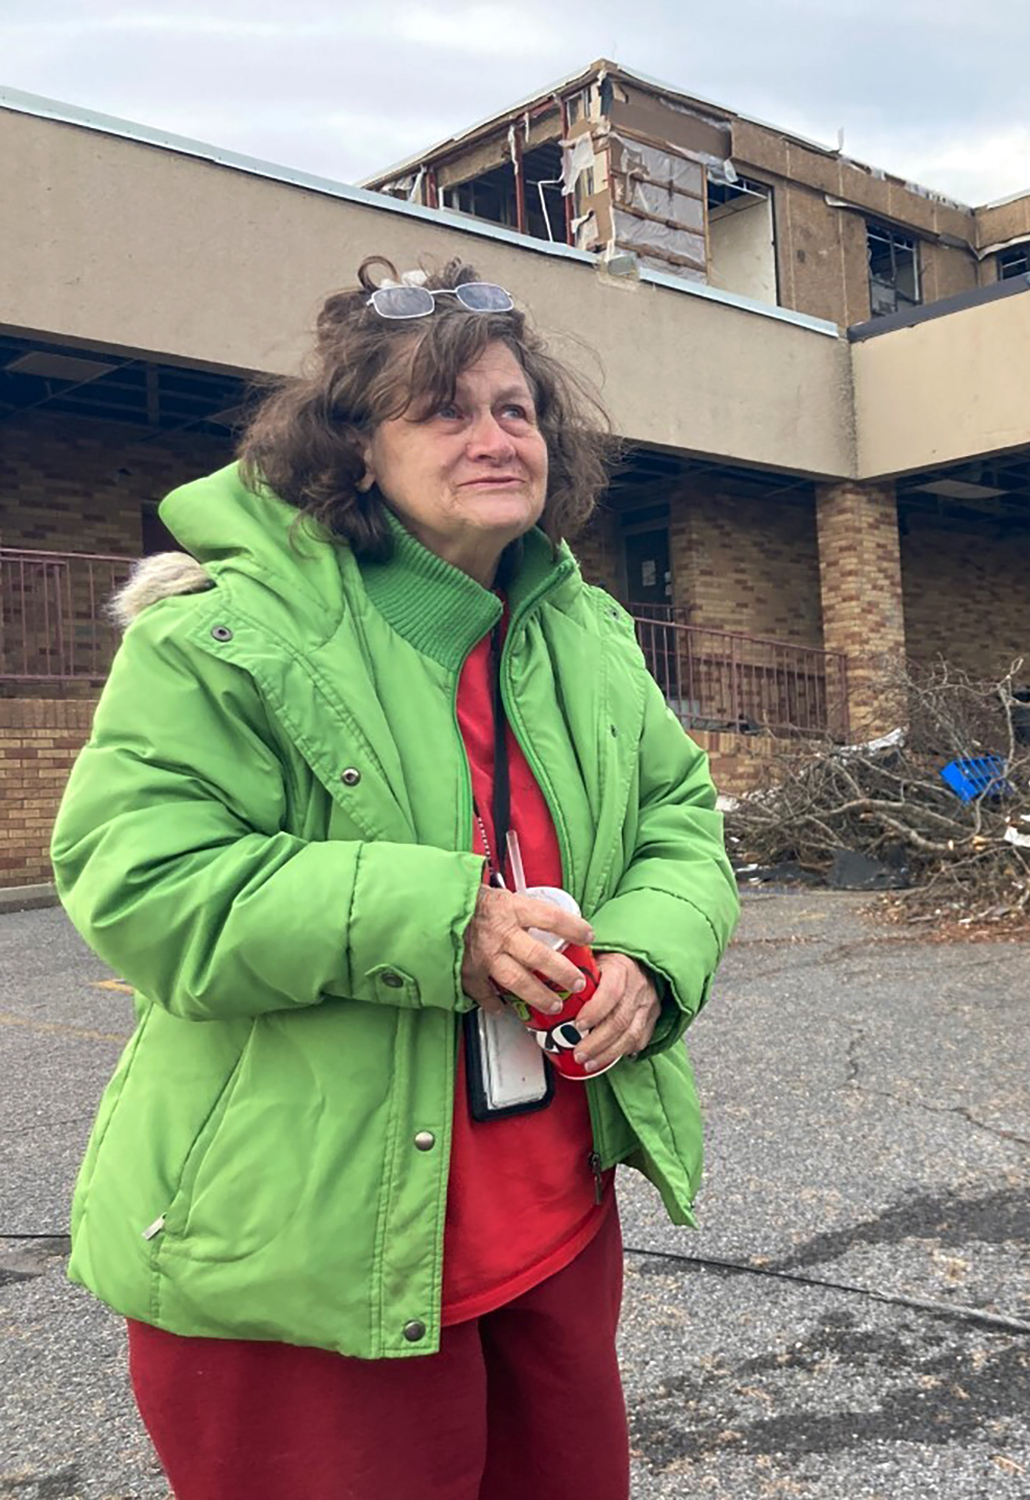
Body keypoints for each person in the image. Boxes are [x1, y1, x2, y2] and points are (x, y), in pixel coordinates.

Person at [50, 255, 738, 1500]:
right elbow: (139, 879)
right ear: (357, 448)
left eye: (515, 409)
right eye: (445, 411)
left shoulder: (585, 630)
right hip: (307, 1249)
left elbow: (679, 818)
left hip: (552, 1221)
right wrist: (445, 925)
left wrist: (649, 952)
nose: (494, 437)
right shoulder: (224, 627)